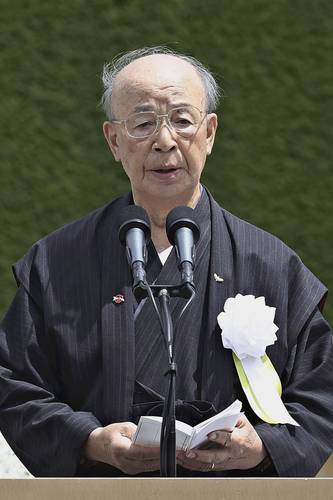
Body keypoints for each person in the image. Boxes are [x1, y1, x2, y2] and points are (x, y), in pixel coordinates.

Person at [0, 46, 332, 478]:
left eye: (181, 120)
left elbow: (322, 389)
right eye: (142, 123)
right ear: (113, 140)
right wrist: (89, 440)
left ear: (209, 133)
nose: (164, 141)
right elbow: (14, 385)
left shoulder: (270, 263)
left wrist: (264, 446)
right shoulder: (56, 262)